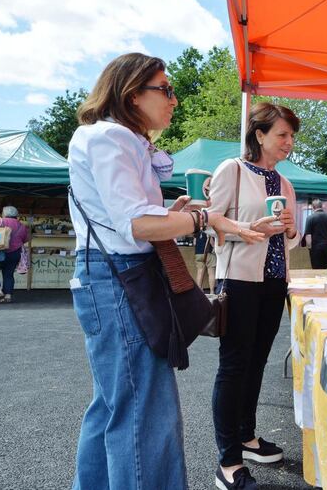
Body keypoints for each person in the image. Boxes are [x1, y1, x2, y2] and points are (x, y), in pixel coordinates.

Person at [67, 52, 263, 490]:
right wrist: (202, 218)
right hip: (119, 277)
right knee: (144, 408)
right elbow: (136, 225)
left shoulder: (112, 139)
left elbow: (129, 217)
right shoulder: (112, 138)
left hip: (108, 274)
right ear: (132, 93)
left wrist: (172, 213)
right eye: (166, 89)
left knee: (115, 403)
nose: (174, 99)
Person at [209, 102, 301, 490]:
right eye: (282, 134)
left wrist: (291, 229)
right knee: (234, 366)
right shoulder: (232, 169)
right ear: (259, 134)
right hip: (240, 278)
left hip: (274, 281)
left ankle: (247, 437)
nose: (289, 143)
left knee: (258, 361)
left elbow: (290, 240)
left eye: (292, 136)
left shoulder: (285, 183)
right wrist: (248, 228)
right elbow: (211, 219)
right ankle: (228, 460)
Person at [0, 206, 29, 303]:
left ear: (4, 213)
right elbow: (25, 239)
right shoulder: (22, 225)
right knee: (8, 274)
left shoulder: (0, 221)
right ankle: (8, 296)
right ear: (16, 215)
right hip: (15, 253)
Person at [304, 199, 327, 269]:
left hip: (316, 249)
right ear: (322, 206)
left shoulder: (310, 218)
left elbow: (308, 236)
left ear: (313, 207)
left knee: (318, 270)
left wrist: (309, 247)